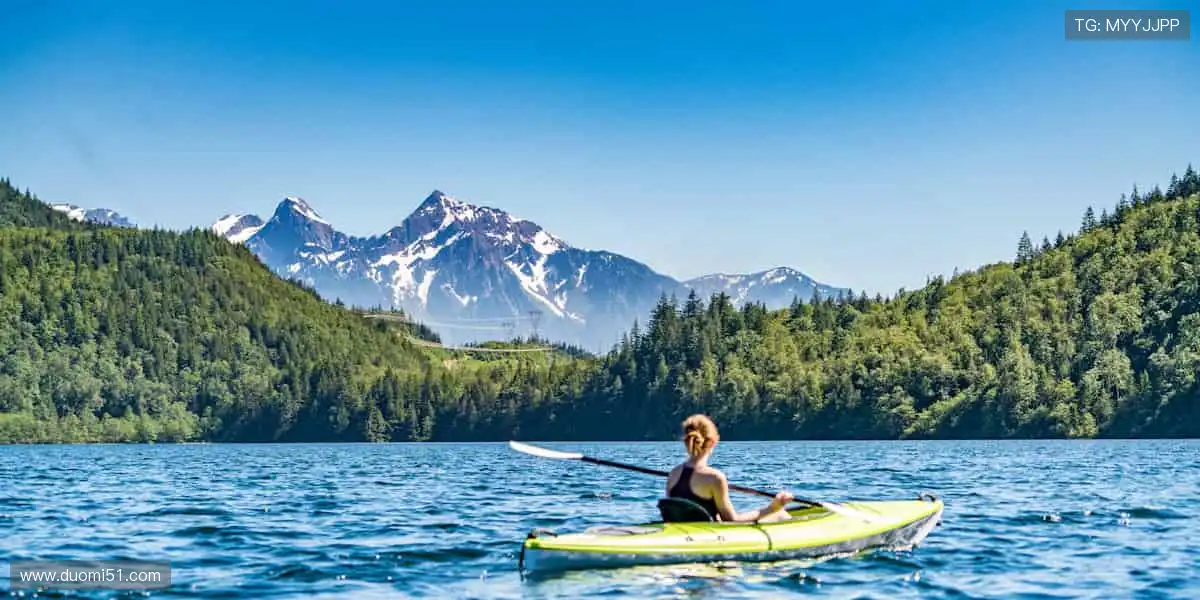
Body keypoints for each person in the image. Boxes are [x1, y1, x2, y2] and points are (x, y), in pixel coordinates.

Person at [666, 414, 794, 523]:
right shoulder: (714, 478)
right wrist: (773, 507)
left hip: (688, 532)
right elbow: (732, 521)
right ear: (713, 442)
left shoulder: (673, 474)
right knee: (780, 515)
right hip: (711, 537)